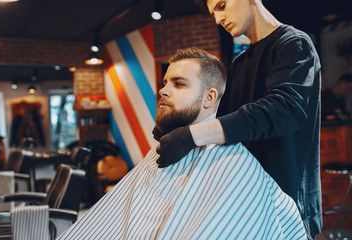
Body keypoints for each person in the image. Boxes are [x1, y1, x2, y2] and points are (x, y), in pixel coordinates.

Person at [58, 48, 307, 239]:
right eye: (164, 83)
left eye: (178, 84)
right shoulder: (164, 151)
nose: (163, 91)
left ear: (209, 97)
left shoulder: (232, 165)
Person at [153, 0, 322, 239]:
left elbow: (282, 110)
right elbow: (218, 116)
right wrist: (175, 124)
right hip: (250, 200)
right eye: (213, 13)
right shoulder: (240, 64)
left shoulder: (294, 44)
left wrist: (191, 136)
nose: (218, 19)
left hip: (287, 200)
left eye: (221, 6)